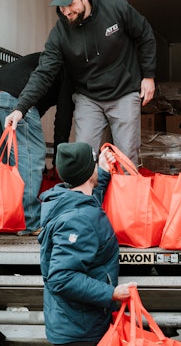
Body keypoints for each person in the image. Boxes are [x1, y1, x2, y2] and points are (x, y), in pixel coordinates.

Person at [4, 0, 156, 167]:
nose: (66, 11)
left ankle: (127, 196)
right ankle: (87, 197)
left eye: (70, 4)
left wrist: (148, 76)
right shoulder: (59, 33)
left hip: (124, 91)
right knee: (83, 158)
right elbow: (44, 72)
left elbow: (145, 35)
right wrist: (21, 108)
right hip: (89, 97)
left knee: (126, 159)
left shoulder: (117, 8)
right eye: (61, 7)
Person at [38, 142, 136, 345]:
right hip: (80, 331)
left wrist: (101, 171)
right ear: (87, 172)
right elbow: (62, 278)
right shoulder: (79, 219)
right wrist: (111, 293)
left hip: (74, 322)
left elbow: (87, 202)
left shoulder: (68, 201)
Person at [0, 52, 74, 235]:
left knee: (10, 160)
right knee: (31, 158)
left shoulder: (49, 59)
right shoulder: (69, 72)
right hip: (15, 97)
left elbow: (39, 108)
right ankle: (30, 221)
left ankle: (8, 217)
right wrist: (58, 159)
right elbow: (63, 119)